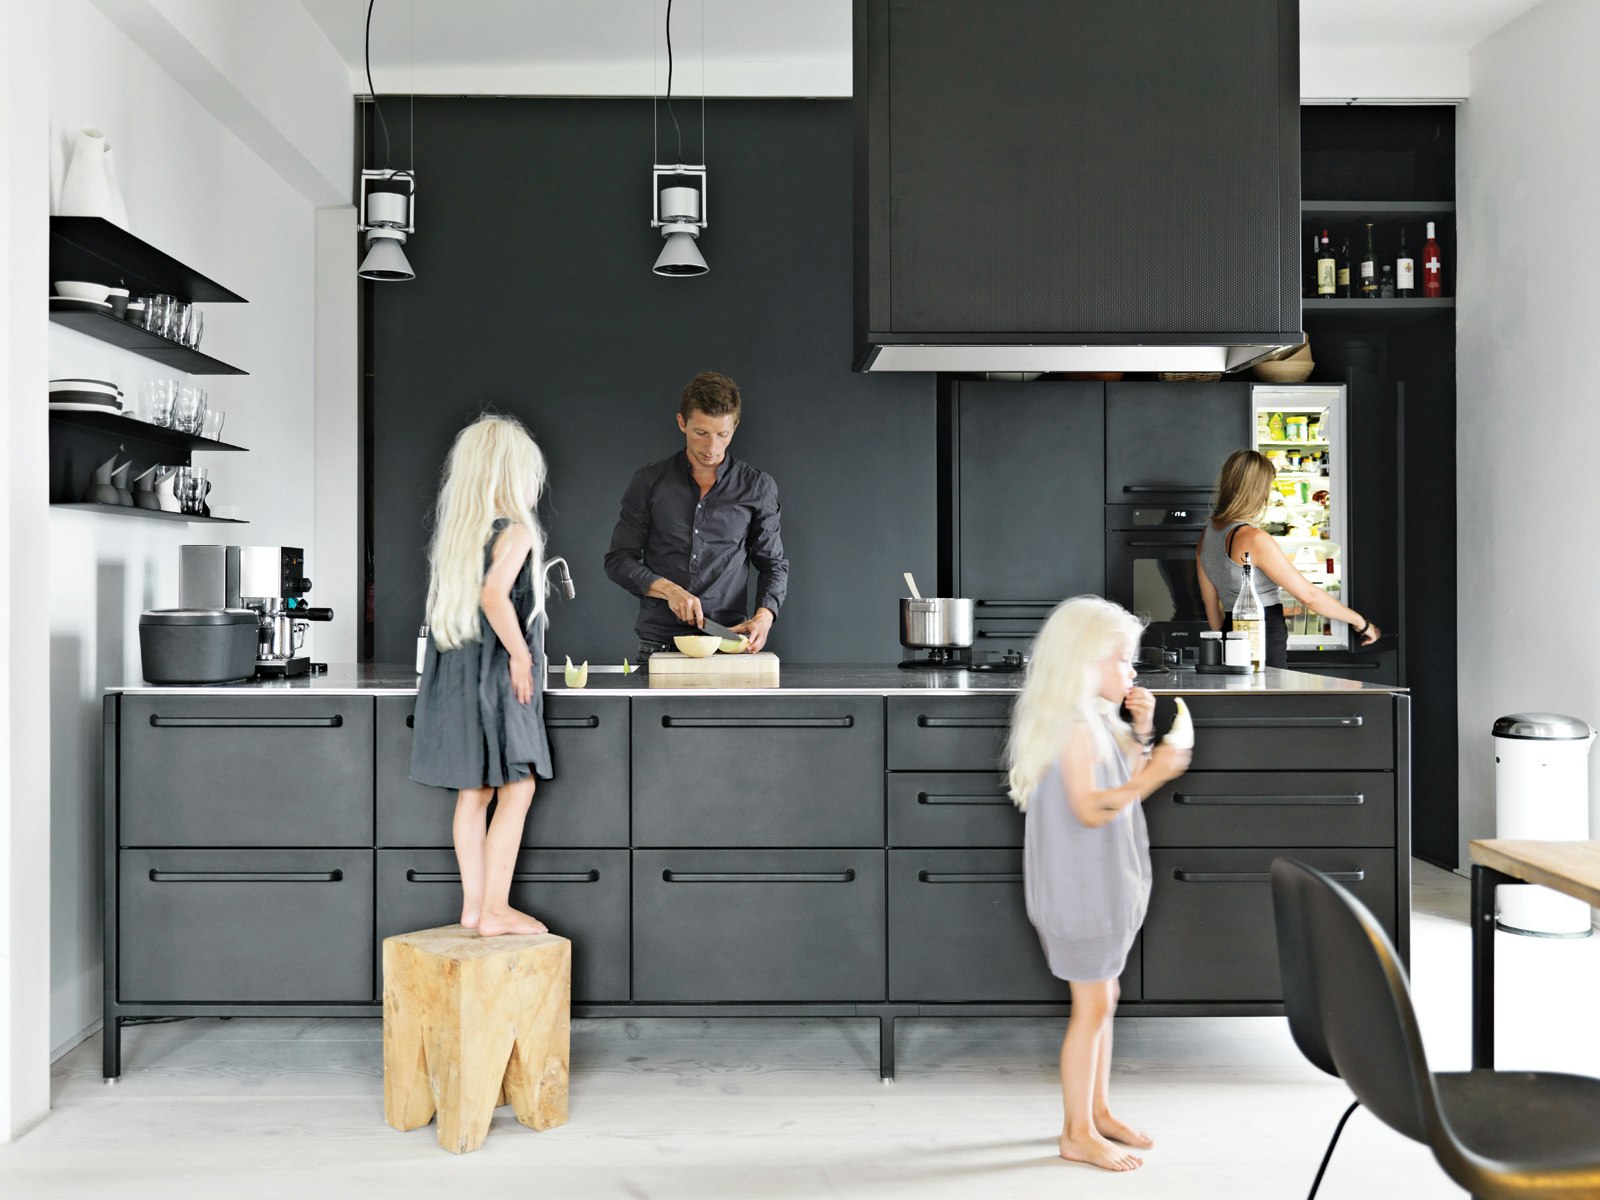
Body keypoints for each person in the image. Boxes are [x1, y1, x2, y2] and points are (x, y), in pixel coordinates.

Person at [1007, 596, 1192, 1173]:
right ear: (1087, 660)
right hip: (1080, 895)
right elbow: (1091, 809)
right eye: (1123, 660)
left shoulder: (1092, 719)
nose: (1132, 672)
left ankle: (1100, 1110)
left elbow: (1118, 784)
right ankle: (1076, 1131)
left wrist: (1140, 733)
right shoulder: (1072, 728)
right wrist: (1160, 771)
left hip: (1101, 887)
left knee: (1104, 999)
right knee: (1090, 1008)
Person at [409, 415, 553, 937]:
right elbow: (496, 596)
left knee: (474, 793)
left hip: (457, 675)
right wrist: (521, 655)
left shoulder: (460, 537)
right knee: (517, 788)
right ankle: (496, 909)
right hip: (495, 676)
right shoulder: (514, 531)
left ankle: (474, 908)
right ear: (511, 474)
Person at [605, 370, 788, 661]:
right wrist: (668, 590)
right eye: (701, 433)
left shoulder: (757, 486)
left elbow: (773, 564)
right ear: (682, 423)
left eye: (722, 434)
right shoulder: (649, 481)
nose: (711, 447)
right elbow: (617, 561)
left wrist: (765, 616)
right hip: (659, 645)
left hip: (728, 645)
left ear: (735, 426)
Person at [1196, 449, 1380, 668]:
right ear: (1258, 490)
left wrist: (1227, 641)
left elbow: (1210, 603)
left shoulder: (1207, 535)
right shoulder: (1254, 539)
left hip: (1229, 632)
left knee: (1242, 699)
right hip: (1263, 632)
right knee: (1270, 699)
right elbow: (1309, 596)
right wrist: (1361, 622)